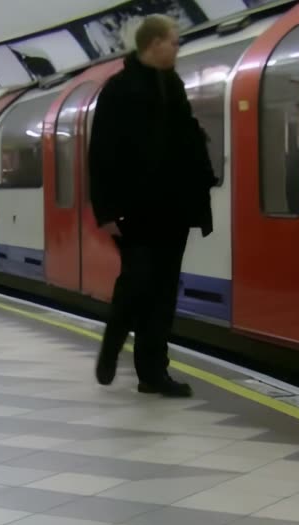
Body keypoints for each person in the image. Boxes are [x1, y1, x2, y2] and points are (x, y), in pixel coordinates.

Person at [88, 14, 217, 398]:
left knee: (162, 293)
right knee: (137, 283)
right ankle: (112, 345)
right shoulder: (118, 89)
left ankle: (153, 373)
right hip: (134, 209)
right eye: (174, 41)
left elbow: (185, 142)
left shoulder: (172, 86)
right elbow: (102, 155)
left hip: (172, 208)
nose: (178, 48)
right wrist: (107, 211)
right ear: (154, 43)